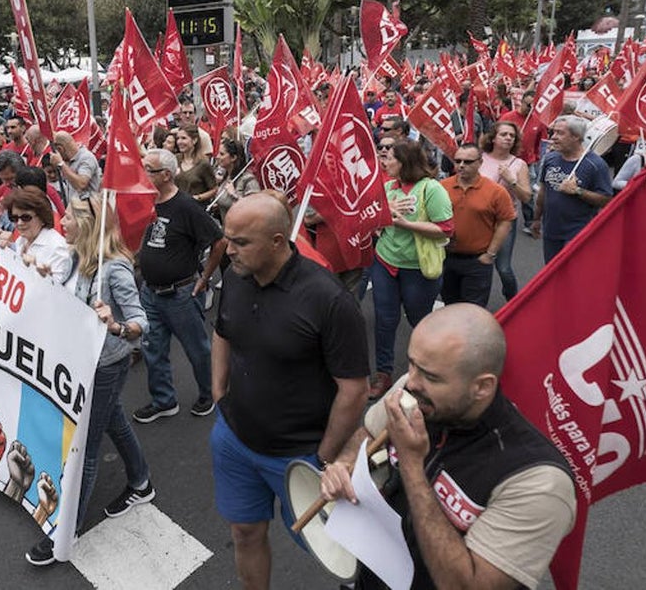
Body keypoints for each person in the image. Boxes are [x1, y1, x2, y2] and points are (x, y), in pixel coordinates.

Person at [320, 304, 577, 590]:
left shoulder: (539, 482)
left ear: (482, 387)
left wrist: (412, 467)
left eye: (431, 377)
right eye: (411, 363)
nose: (411, 382)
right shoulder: (415, 391)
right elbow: (367, 433)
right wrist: (343, 465)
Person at [211, 193, 369, 590]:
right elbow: (222, 331)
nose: (229, 251)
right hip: (234, 441)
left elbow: (353, 389)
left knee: (339, 555)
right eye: (227, 238)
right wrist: (218, 394)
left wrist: (324, 455)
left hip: (300, 456)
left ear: (278, 241)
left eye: (241, 242)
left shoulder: (329, 300)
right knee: (244, 533)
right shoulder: (235, 275)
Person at [25, 196, 153, 567]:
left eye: (69, 216)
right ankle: (141, 482)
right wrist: (44, 275)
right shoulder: (78, 259)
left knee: (87, 447)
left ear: (88, 225)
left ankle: (66, 530)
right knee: (112, 419)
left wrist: (114, 325)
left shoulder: (114, 269)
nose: (61, 221)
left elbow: (141, 323)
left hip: (106, 366)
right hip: (81, 362)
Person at [134, 148, 226, 423]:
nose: (142, 174)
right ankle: (164, 401)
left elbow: (218, 241)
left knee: (197, 349)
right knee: (154, 349)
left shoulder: (186, 207)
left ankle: (209, 393)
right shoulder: (145, 203)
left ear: (165, 175)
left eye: (147, 169)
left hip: (181, 293)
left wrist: (205, 278)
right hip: (150, 293)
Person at [369, 139, 453, 399]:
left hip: (417, 269)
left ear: (404, 162)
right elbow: (374, 222)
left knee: (420, 321)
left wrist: (406, 224)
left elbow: (446, 229)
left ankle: (426, 372)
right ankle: (383, 374)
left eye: (389, 158)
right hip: (384, 263)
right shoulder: (387, 187)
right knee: (385, 320)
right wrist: (383, 214)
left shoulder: (431, 189)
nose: (385, 162)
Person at [440, 144, 515, 308]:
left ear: (480, 163)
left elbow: (505, 221)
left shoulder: (496, 191)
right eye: (457, 161)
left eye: (468, 162)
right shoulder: (442, 187)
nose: (461, 165)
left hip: (477, 262)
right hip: (446, 259)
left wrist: (490, 254)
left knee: (473, 310)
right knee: (450, 305)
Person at [531, 115, 612, 262]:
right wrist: (536, 218)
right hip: (551, 230)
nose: (554, 137)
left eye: (560, 133)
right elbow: (543, 191)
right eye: (553, 132)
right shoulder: (550, 158)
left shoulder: (596, 165)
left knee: (571, 278)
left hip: (577, 233)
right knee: (551, 275)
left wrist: (578, 191)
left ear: (576, 137)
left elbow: (606, 199)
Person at [479, 121, 532, 300]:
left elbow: (526, 197)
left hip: (504, 221)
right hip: (479, 218)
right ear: (493, 138)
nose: (509, 138)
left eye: (512, 136)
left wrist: (512, 180)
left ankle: (513, 300)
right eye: (504, 134)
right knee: (478, 265)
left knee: (503, 268)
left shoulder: (519, 164)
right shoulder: (479, 158)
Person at [0, 185, 71, 283]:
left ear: (42, 217)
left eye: (26, 218)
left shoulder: (58, 248)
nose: (19, 223)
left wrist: (35, 271)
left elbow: (58, 292)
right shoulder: (21, 240)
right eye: (14, 218)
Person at [213, 137, 260, 221]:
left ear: (233, 157)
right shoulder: (225, 176)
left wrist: (234, 194)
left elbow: (255, 208)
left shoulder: (248, 180)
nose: (217, 157)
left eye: (222, 154)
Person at [49, 131, 101, 202]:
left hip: (88, 210)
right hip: (74, 209)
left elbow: (81, 184)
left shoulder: (86, 158)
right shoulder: (69, 160)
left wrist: (61, 164)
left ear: (61, 149)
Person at [173, 123, 217, 204]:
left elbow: (214, 189)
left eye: (183, 138)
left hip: (195, 209)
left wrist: (197, 198)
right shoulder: (175, 159)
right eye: (178, 138)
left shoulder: (203, 163)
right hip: (177, 207)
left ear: (194, 140)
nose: (179, 142)